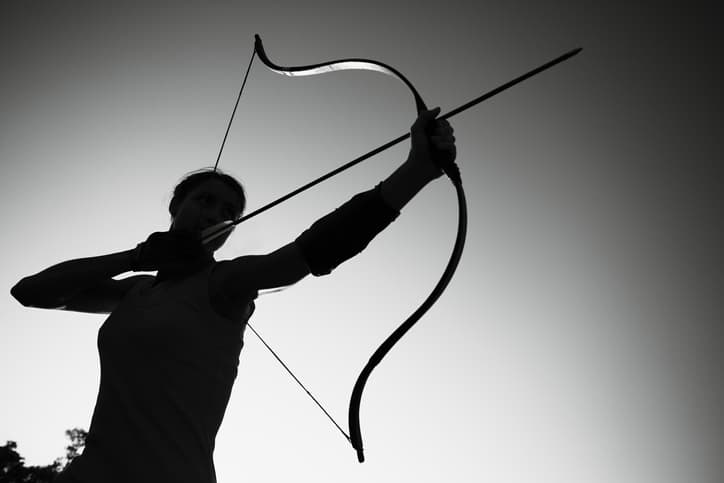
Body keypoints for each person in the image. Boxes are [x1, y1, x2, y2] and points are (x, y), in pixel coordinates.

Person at [11, 108, 456, 483]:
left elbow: (307, 253)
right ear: (175, 206)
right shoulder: (134, 289)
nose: (215, 215)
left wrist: (416, 171)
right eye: (204, 200)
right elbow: (30, 292)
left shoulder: (226, 283)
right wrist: (137, 255)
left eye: (229, 213)